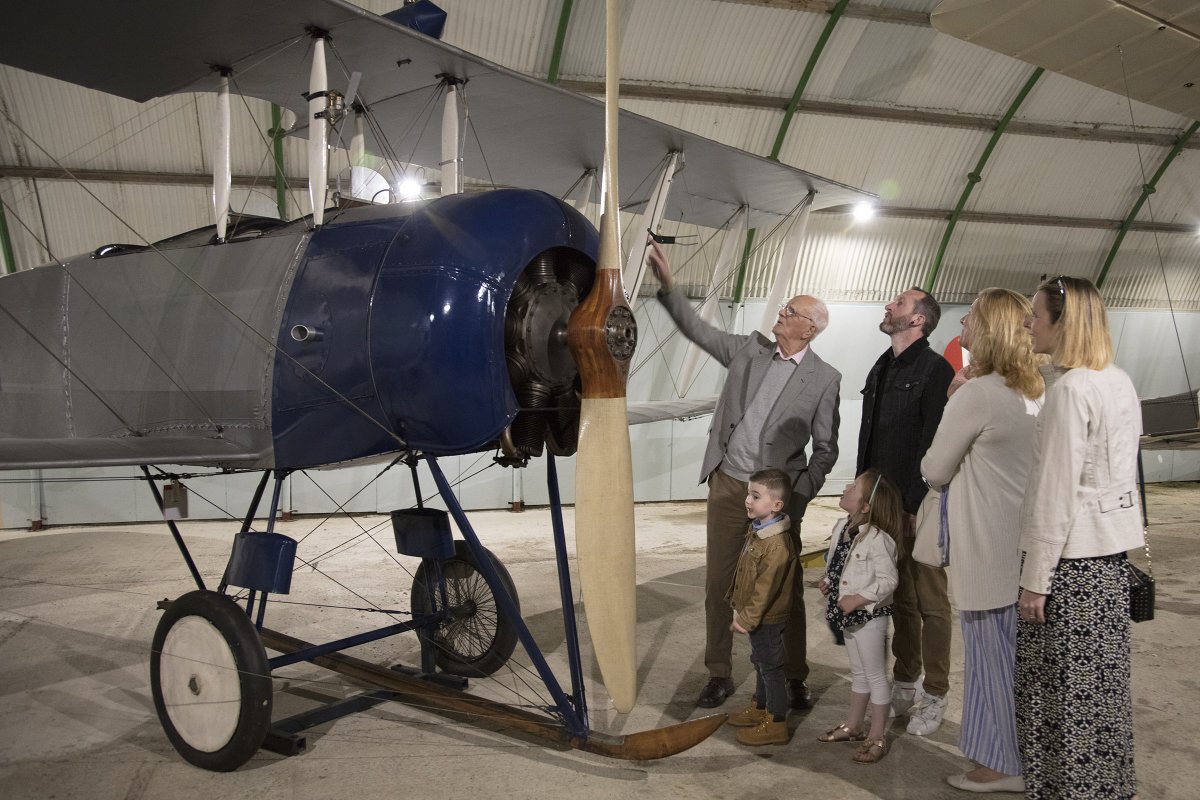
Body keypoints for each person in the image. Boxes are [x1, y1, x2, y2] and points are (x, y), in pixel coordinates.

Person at [646, 238, 840, 710]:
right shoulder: (749, 351)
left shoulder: (825, 379)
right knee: (719, 585)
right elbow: (698, 330)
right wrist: (670, 287)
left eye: (789, 310)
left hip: (777, 498)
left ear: (808, 328)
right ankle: (718, 672)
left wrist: (797, 497)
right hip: (730, 485)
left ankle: (793, 676)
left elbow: (826, 448)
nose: (780, 313)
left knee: (784, 589)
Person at [1016, 276, 1142, 799]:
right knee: (1099, 691)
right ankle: (1105, 787)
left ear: (1062, 323)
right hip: (1108, 559)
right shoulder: (1117, 379)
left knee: (1060, 695)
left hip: (1070, 567)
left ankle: (1068, 789)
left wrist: (1034, 581)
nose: (1027, 323)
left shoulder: (1069, 390)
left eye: (1036, 315)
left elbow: (1056, 492)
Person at [921, 288, 1044, 794]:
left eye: (970, 316)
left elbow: (934, 469)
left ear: (987, 329)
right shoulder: (1034, 391)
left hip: (983, 545)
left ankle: (999, 765)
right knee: (1014, 660)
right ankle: (1017, 754)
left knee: (989, 658)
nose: (963, 322)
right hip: (1021, 543)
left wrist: (952, 400)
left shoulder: (978, 392)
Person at [856, 287, 954, 735]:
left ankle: (935, 692)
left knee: (929, 602)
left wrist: (916, 504)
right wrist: (863, 496)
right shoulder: (881, 366)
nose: (888, 307)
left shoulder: (935, 370)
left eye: (898, 304)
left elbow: (934, 443)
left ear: (918, 320)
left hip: (916, 507)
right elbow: (870, 438)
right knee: (896, 599)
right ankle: (905, 678)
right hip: (880, 506)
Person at [816, 469, 903, 764]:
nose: (846, 488)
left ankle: (876, 735)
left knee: (876, 676)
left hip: (868, 616)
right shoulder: (843, 526)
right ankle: (853, 725)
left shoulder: (879, 540)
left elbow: (889, 581)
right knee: (859, 672)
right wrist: (829, 580)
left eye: (853, 488)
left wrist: (859, 597)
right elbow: (837, 562)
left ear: (866, 506)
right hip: (847, 614)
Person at [724, 468, 799, 746]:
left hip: (766, 617)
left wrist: (748, 618)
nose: (748, 500)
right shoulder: (758, 531)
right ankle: (760, 707)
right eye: (748, 493)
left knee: (771, 667)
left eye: (756, 496)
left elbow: (765, 589)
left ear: (776, 505)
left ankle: (776, 721)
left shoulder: (776, 544)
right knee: (761, 662)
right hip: (757, 617)